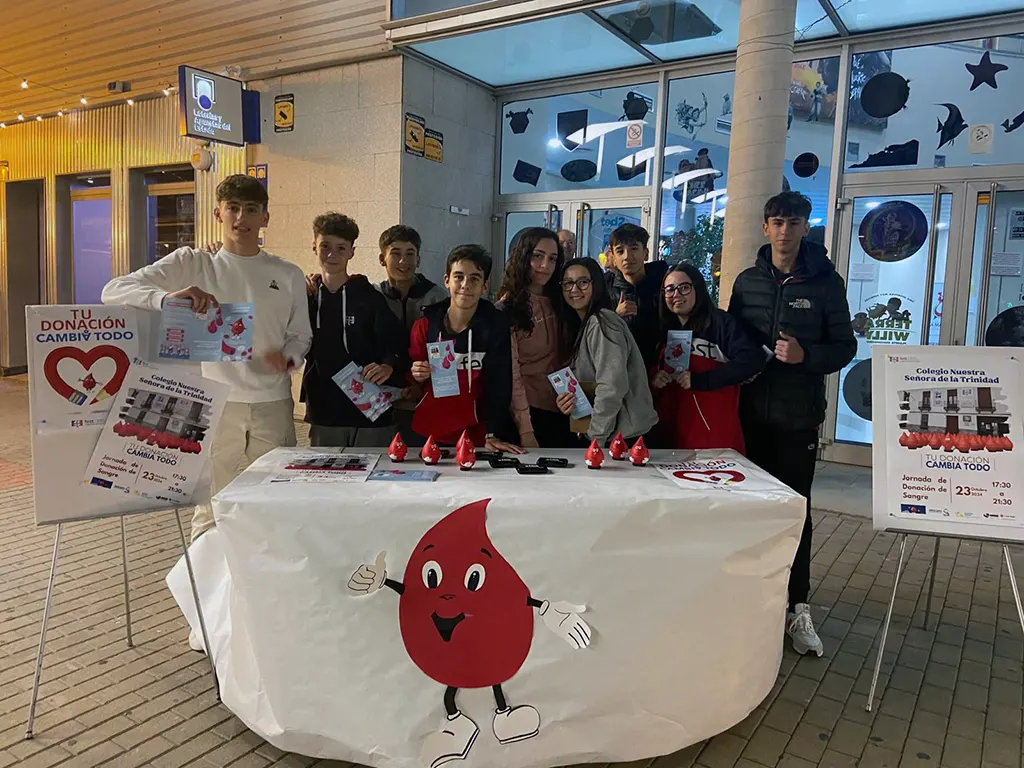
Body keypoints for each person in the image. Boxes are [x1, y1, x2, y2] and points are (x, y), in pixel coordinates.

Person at [102, 174, 311, 544]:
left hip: (273, 403)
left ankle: (269, 578)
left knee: (279, 497)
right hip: (214, 403)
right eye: (232, 208)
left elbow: (300, 335)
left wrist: (290, 357)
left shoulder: (287, 273)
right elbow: (114, 290)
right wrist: (167, 299)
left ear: (265, 217)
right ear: (218, 213)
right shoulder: (193, 263)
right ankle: (204, 590)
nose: (240, 217)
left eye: (250, 209)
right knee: (212, 504)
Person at [728, 191, 856, 658]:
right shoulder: (747, 281)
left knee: (795, 515)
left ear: (806, 227)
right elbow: (731, 339)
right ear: (765, 227)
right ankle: (752, 601)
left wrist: (806, 357)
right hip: (747, 418)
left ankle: (797, 606)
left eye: (794, 222)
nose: (784, 230)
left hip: (796, 421)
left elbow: (846, 347)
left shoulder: (825, 283)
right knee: (748, 513)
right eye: (777, 221)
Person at [299, 213, 408, 447]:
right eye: (325, 246)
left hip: (370, 409)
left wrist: (388, 366)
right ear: (314, 247)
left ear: (351, 252)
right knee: (326, 480)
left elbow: (396, 344)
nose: (332, 255)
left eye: (341, 248)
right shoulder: (305, 297)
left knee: (372, 478)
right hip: (324, 409)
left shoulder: (370, 298)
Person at [408, 245, 523, 453]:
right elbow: (412, 378)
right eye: (458, 277)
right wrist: (416, 373)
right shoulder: (425, 326)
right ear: (447, 280)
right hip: (429, 431)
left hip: (476, 435)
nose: (465, 285)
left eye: (474, 279)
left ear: (485, 286)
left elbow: (500, 383)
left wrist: (492, 432)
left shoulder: (495, 326)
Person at [651, 264, 764, 453]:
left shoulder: (720, 323)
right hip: (671, 434)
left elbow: (752, 360)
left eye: (684, 287)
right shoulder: (661, 329)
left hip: (713, 436)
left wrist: (702, 380)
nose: (676, 294)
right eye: (669, 289)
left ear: (698, 288)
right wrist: (655, 377)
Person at [557, 257, 658, 446]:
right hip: (605, 433)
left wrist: (595, 436)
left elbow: (612, 386)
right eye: (568, 283)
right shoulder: (582, 325)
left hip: (621, 439)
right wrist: (568, 402)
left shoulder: (602, 322)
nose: (574, 289)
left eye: (583, 282)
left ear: (597, 284)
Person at [496, 227, 571, 449]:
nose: (545, 266)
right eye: (537, 256)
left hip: (566, 407)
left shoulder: (564, 301)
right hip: (527, 415)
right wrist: (526, 430)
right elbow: (513, 376)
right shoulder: (506, 310)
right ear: (523, 256)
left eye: (552, 258)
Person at [375, 225, 448, 442]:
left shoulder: (437, 297)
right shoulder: (372, 296)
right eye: (395, 253)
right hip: (382, 399)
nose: (403, 261)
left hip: (424, 399)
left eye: (410, 254)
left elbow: (445, 350)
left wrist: (422, 386)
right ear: (382, 259)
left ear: (418, 260)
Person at [604, 223, 669, 370]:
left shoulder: (664, 285)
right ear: (613, 258)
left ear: (645, 253)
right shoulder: (604, 287)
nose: (627, 257)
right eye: (620, 251)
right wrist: (616, 317)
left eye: (634, 249)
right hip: (618, 369)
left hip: (659, 370)